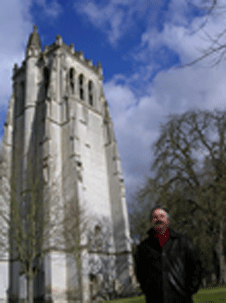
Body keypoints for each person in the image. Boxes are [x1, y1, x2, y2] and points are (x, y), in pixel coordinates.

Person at [134, 204, 202, 303]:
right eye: (155, 217)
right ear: (151, 221)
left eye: (162, 216)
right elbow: (140, 272)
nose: (158, 219)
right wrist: (148, 290)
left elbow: (195, 266)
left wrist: (189, 289)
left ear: (168, 220)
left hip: (181, 298)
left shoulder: (183, 241)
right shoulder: (143, 247)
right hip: (155, 299)